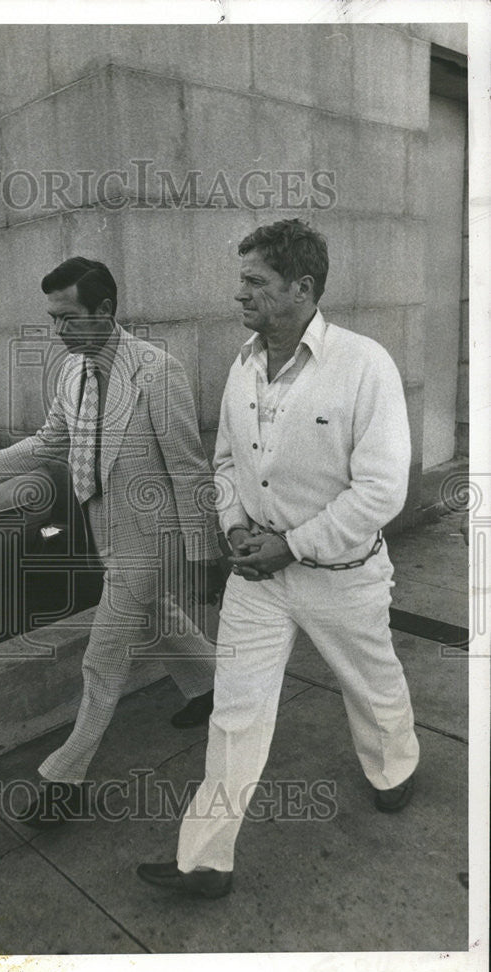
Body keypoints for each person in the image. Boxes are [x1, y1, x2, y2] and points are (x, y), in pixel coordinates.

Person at [138, 219, 420, 898]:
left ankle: (394, 767)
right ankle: (204, 862)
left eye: (255, 280)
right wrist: (235, 526)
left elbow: (383, 487)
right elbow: (228, 459)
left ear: (302, 287)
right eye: (242, 279)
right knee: (235, 712)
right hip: (257, 581)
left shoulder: (363, 365)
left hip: (341, 577)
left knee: (371, 682)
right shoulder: (242, 365)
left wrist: (292, 544)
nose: (239, 293)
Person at [0, 257, 223, 826]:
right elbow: (49, 442)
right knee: (155, 616)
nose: (59, 332)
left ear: (105, 310)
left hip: (150, 533)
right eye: (53, 319)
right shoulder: (71, 373)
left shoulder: (156, 371)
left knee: (103, 655)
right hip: (102, 528)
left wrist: (203, 553)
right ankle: (213, 685)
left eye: (69, 318)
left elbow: (190, 470)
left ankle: (63, 778)